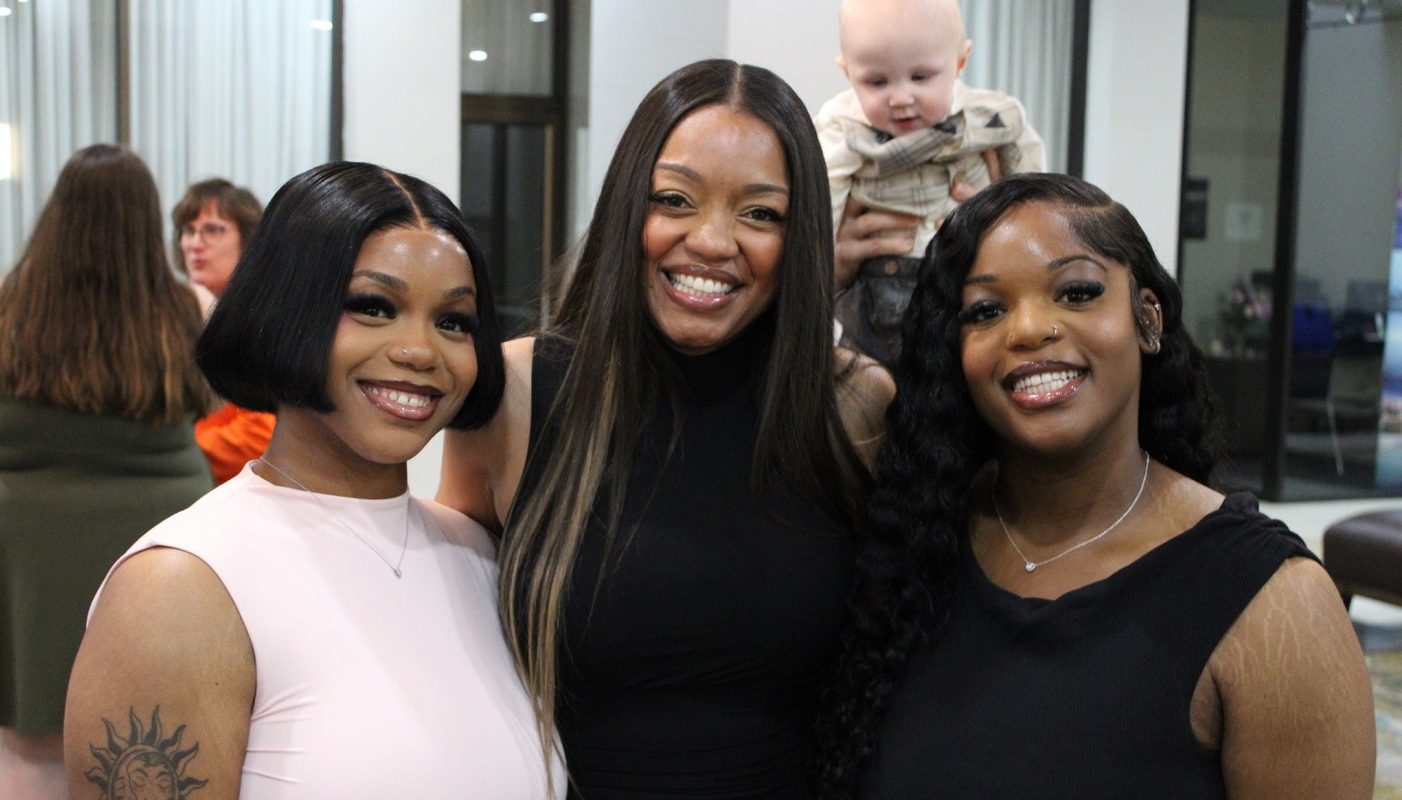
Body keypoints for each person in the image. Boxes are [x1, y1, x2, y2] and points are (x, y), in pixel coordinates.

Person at [817, 173, 1376, 799]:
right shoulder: (913, 547)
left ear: (1147, 319)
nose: (1029, 329)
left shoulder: (1274, 602)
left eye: (1077, 292)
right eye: (987, 311)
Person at [438, 59, 895, 798]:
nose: (712, 241)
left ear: (800, 236)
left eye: (759, 214)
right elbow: (437, 636)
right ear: (628, 208)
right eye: (674, 200)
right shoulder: (514, 393)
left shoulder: (853, 404)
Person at [64, 161, 566, 799]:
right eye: (373, 307)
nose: (420, 351)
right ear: (285, 310)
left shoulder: (480, 553)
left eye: (453, 321)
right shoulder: (177, 588)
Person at [0, 144, 214, 800]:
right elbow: (215, 402)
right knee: (155, 738)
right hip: (161, 538)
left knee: (30, 746)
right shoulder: (188, 308)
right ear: (146, 220)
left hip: (24, 540)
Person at [817, 0, 1045, 368]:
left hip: (967, 282)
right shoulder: (844, 126)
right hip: (876, 283)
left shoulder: (986, 116)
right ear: (847, 72)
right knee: (869, 383)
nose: (900, 98)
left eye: (920, 77)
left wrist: (1022, 225)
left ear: (960, 62)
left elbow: (1031, 175)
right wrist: (821, 275)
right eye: (877, 81)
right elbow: (821, 198)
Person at [172, 178, 277, 483]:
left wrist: (175, 450)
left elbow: (262, 434)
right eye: (189, 230)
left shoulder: (264, 318)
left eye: (213, 230)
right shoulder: (182, 312)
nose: (195, 243)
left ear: (249, 239)